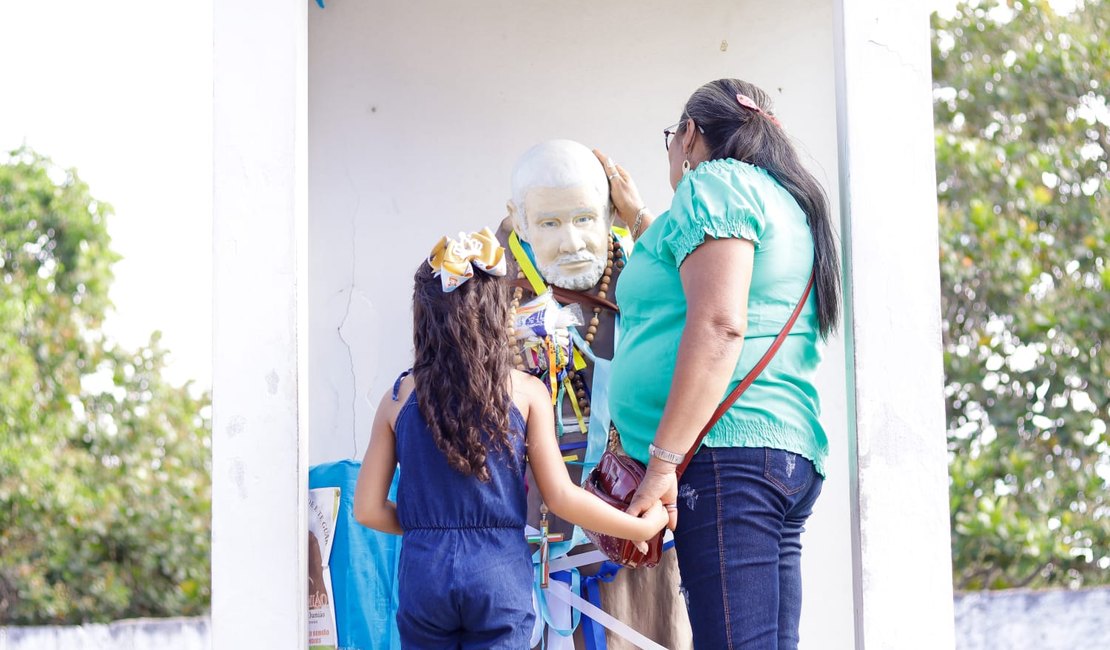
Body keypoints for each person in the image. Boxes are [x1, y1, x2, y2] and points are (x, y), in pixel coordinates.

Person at [598, 78, 842, 650]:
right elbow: (690, 268)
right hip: (780, 455)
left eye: (669, 138)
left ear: (688, 135)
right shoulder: (784, 199)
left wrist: (661, 466)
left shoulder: (715, 182)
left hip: (727, 461)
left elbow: (719, 325)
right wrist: (639, 220)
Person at [352, 229, 669, 649]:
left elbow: (368, 510)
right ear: (497, 316)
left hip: (424, 572)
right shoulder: (525, 392)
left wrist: (423, 528)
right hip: (498, 569)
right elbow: (561, 498)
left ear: (423, 319)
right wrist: (637, 527)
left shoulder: (397, 399)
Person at [498, 139, 691, 649]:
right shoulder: (485, 299)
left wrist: (645, 217)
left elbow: (709, 295)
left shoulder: (647, 275)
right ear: (518, 222)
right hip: (524, 556)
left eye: (585, 218)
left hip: (638, 542)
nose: (572, 242)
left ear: (611, 215)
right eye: (549, 224)